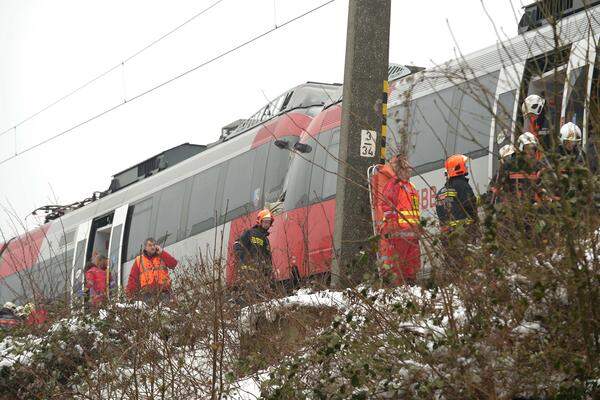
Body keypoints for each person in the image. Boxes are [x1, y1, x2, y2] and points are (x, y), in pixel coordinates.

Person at [380, 155, 421, 284]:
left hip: (411, 234)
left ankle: (410, 286)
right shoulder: (394, 184)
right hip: (400, 233)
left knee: (412, 264)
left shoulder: (410, 186)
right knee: (398, 265)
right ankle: (398, 289)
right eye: (406, 168)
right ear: (400, 170)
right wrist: (392, 224)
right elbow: (387, 205)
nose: (409, 170)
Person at [436, 154, 479, 237]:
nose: (466, 167)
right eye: (464, 165)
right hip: (463, 232)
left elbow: (440, 214)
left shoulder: (440, 192)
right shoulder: (462, 185)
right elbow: (470, 205)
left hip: (447, 235)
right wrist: (475, 225)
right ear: (458, 167)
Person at [234, 209, 274, 282]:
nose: (267, 224)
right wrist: (243, 258)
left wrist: (269, 272)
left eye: (269, 222)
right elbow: (237, 244)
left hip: (260, 273)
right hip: (247, 271)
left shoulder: (266, 240)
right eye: (265, 222)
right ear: (259, 221)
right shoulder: (250, 233)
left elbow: (268, 257)